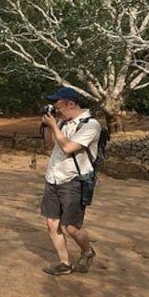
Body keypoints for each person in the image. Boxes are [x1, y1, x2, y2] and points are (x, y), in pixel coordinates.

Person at [39, 86, 101, 276]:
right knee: (52, 223)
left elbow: (68, 147)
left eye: (58, 106)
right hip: (54, 178)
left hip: (74, 181)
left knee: (71, 227)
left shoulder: (90, 125)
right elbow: (50, 144)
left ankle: (87, 252)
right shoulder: (62, 122)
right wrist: (49, 126)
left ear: (71, 103)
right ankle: (64, 263)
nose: (56, 111)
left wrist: (55, 126)